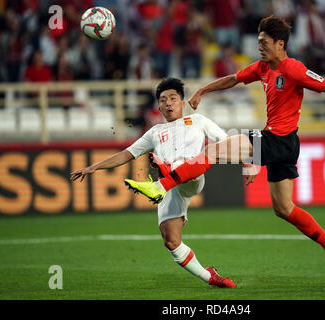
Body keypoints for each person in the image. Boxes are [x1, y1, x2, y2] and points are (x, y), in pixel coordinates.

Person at [126, 16, 325, 281]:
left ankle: (160, 186)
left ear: (280, 43)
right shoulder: (263, 67)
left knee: (213, 151)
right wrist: (203, 91)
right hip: (284, 143)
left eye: (264, 42)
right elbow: (232, 79)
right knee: (284, 208)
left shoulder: (294, 68)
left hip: (278, 139)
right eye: (258, 41)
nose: (259, 46)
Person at [70, 78, 237, 288]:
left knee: (177, 163)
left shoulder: (199, 121)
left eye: (173, 98)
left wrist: (250, 164)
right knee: (171, 241)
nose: (168, 103)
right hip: (172, 187)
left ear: (183, 103)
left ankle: (166, 172)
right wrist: (93, 167)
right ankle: (210, 276)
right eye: (163, 100)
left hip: (193, 177)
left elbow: (227, 141)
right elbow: (126, 154)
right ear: (158, 106)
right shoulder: (154, 133)